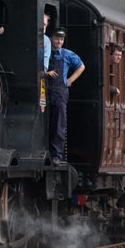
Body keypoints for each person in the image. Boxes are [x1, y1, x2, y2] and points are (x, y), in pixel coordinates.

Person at [45, 27, 85, 166]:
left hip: (59, 91)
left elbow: (81, 66)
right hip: (45, 90)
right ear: (51, 38)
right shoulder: (45, 53)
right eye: (56, 38)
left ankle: (56, 154)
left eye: (61, 39)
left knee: (58, 123)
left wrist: (70, 80)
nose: (59, 41)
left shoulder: (67, 54)